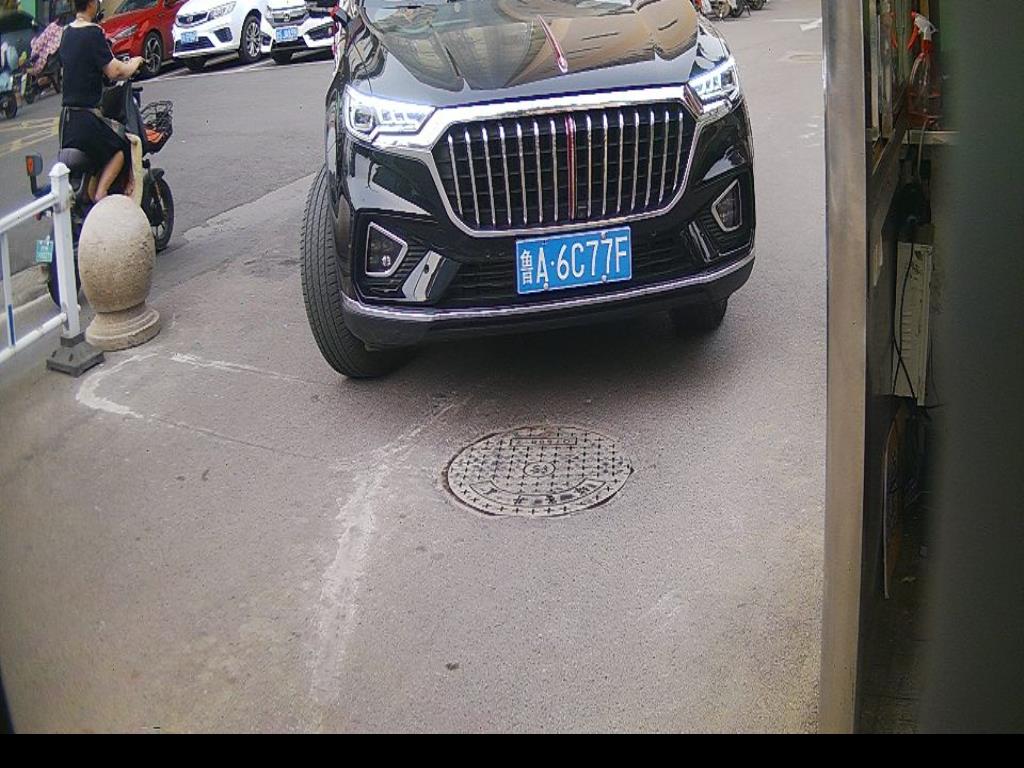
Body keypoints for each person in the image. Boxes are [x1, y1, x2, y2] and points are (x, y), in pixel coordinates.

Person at [58, 0, 143, 201]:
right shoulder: (93, 33)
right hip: (87, 121)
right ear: (91, 4)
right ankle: (101, 193)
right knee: (121, 145)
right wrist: (134, 63)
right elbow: (115, 71)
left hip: (67, 122)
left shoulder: (66, 33)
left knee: (102, 147)